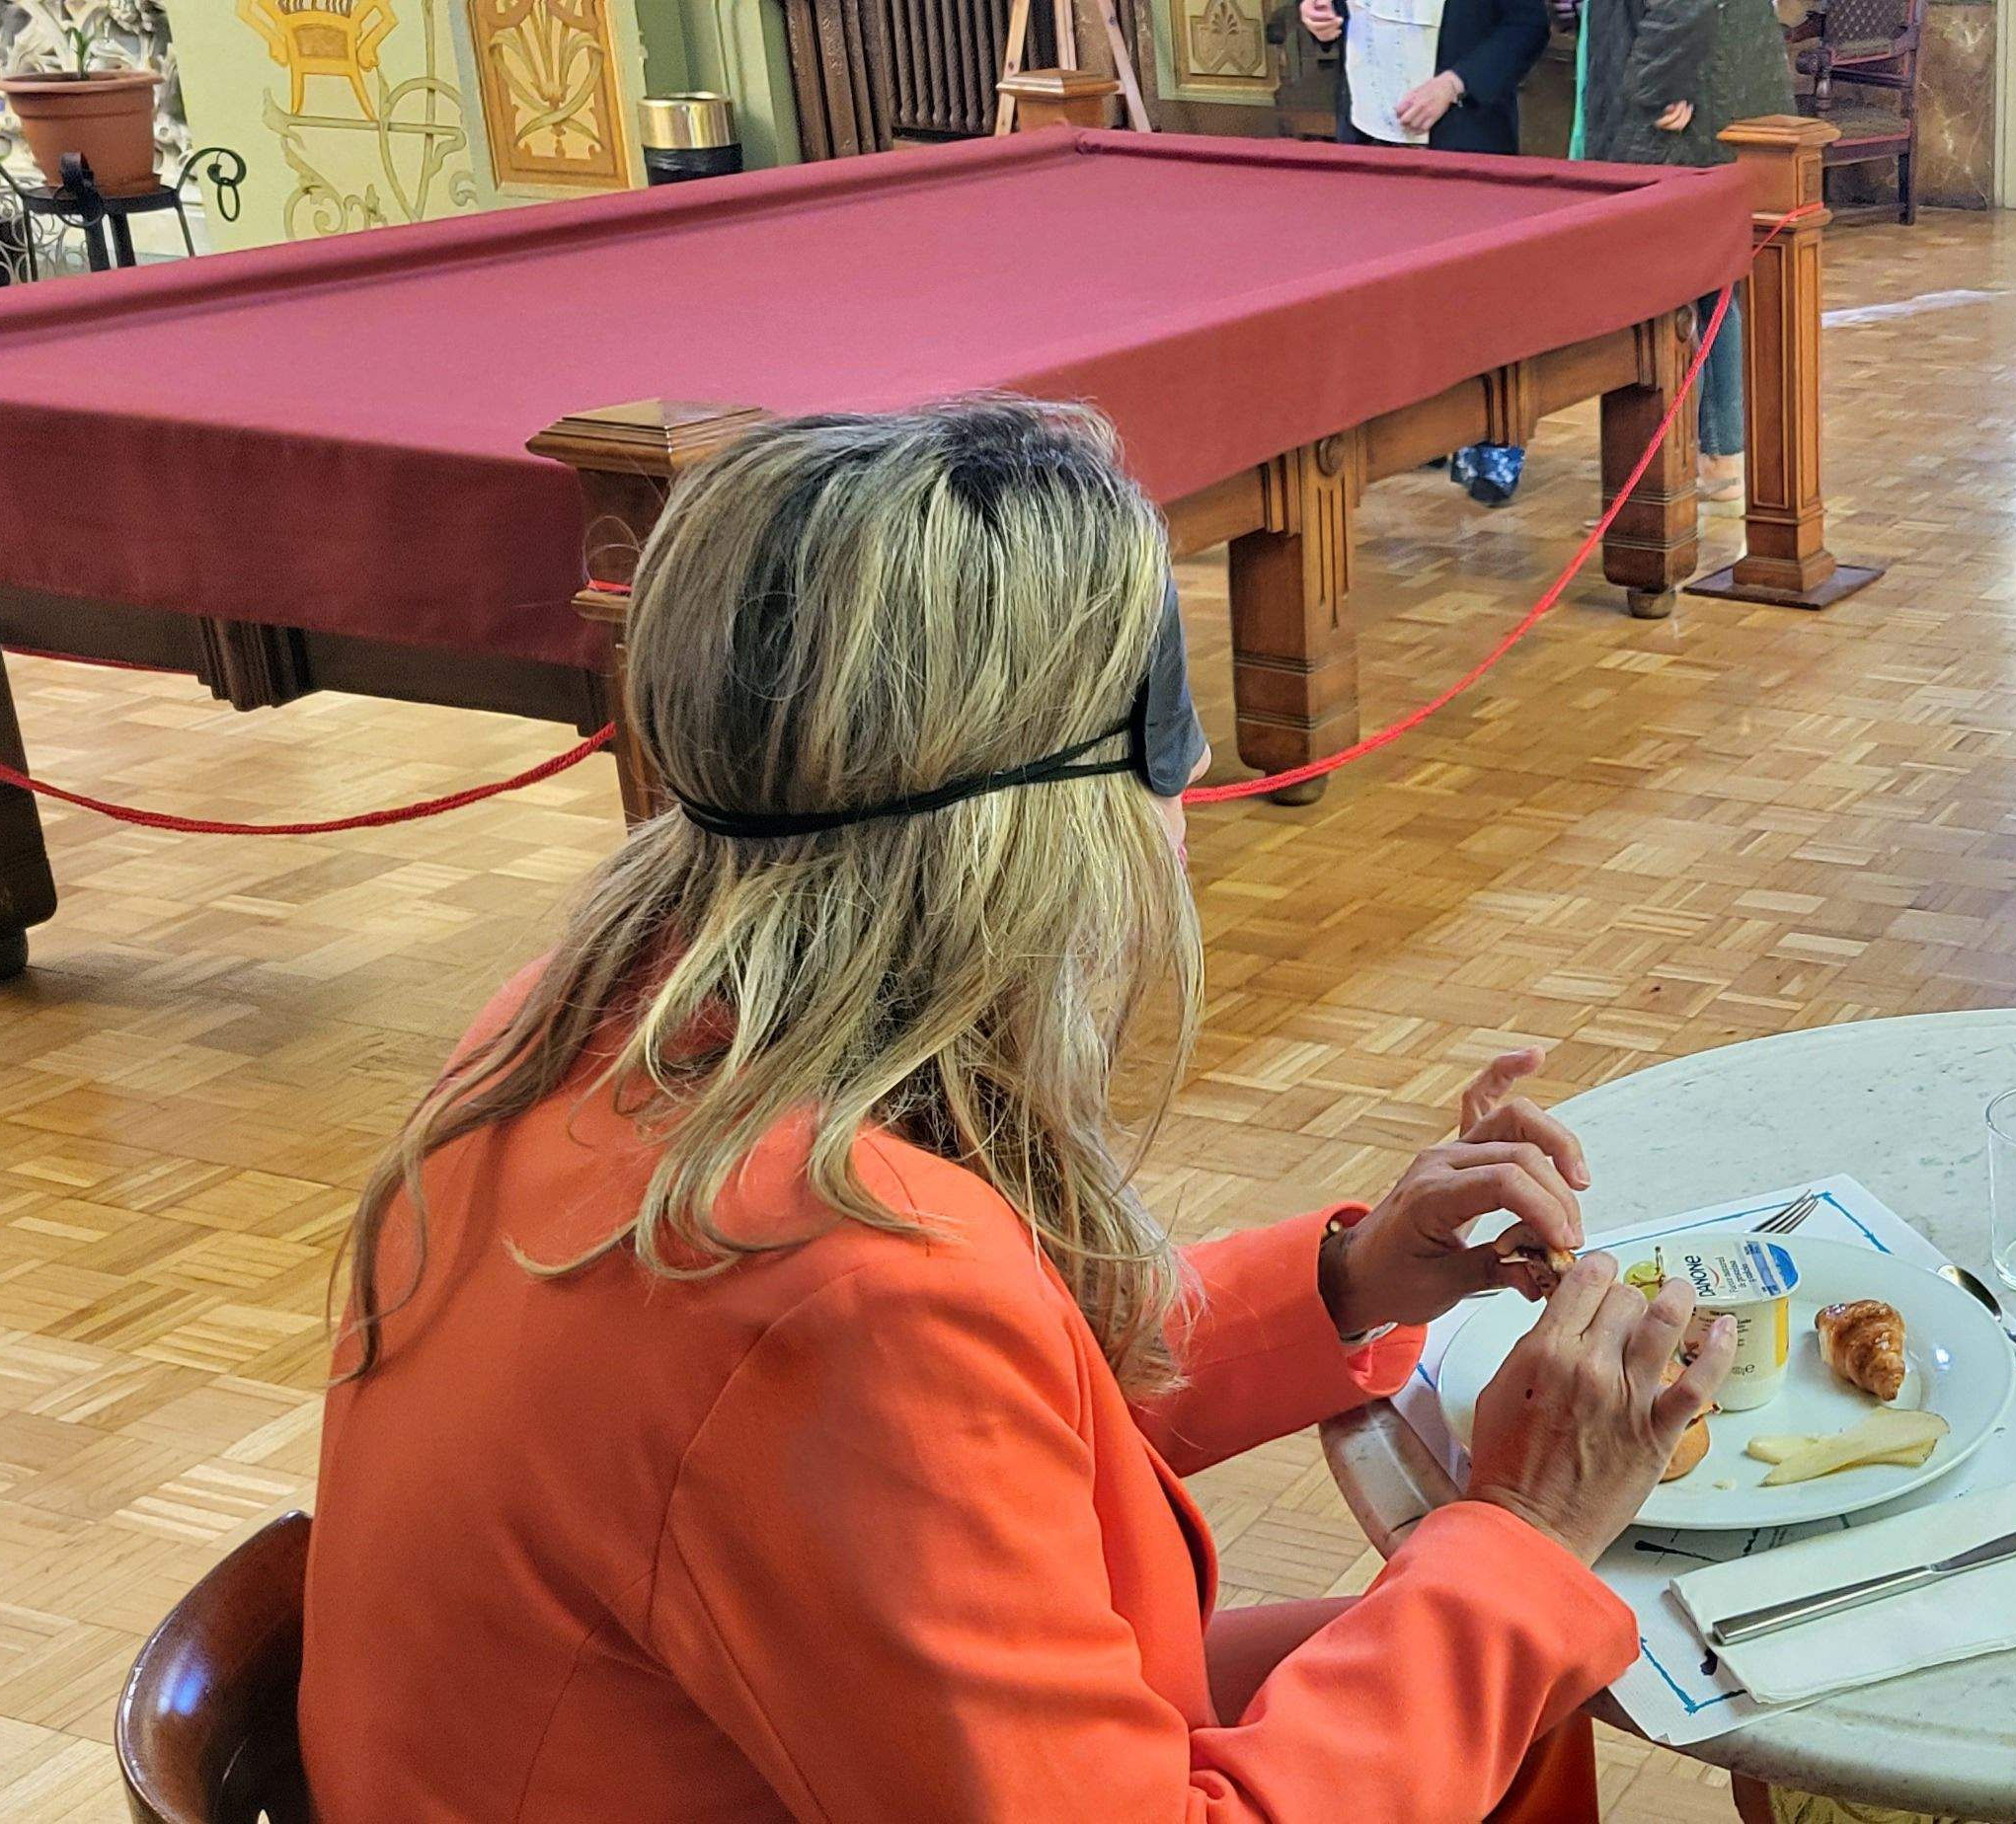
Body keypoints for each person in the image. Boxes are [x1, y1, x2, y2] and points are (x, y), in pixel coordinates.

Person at [301, 399, 1734, 1821]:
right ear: (1048, 828)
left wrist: (1344, 1287)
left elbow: (978, 1437)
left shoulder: (589, 1009)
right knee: (1503, 1626)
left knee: (1500, 1675)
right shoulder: (856, 1286)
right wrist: (1531, 1525)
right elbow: (902, 1376)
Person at [1284, 0, 1551, 504]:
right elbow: (1334, 13)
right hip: (1371, 137)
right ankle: (1419, 430)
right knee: (1394, 297)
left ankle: (1492, 440)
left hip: (1464, 136)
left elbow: (1527, 27)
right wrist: (1319, 18)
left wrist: (1453, 83)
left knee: (1474, 299)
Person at [1578, 0, 1795, 500]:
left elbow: (1682, 7)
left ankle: (1675, 474)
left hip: (1680, 117)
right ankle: (1714, 456)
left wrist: (1650, 90)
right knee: (1706, 288)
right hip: (1697, 99)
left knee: (1679, 294)